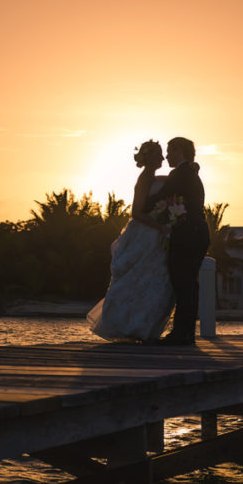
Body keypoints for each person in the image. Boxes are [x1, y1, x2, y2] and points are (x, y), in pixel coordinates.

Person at [87, 140, 175, 341]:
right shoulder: (144, 179)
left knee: (153, 280)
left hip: (154, 235)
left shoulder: (153, 178)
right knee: (136, 278)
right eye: (159, 154)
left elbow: (166, 181)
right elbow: (136, 212)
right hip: (145, 234)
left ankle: (142, 327)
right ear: (150, 158)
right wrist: (160, 226)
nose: (162, 158)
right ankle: (127, 326)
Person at [147, 137, 210, 345]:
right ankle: (186, 333)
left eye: (169, 151)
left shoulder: (180, 173)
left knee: (182, 283)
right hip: (198, 233)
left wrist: (140, 205)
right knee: (189, 284)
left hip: (187, 234)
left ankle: (181, 335)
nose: (166, 156)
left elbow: (160, 197)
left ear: (180, 151)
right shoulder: (188, 173)